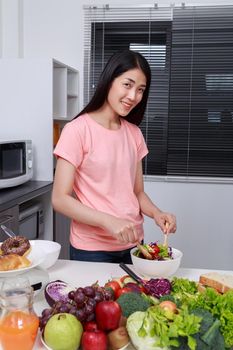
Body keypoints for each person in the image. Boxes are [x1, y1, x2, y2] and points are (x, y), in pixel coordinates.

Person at [52, 49, 176, 264]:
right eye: (127, 85)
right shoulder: (77, 130)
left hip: (134, 245)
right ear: (109, 80)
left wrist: (156, 213)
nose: (133, 96)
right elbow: (60, 199)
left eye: (140, 90)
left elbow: (137, 193)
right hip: (91, 249)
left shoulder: (134, 133)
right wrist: (108, 221)